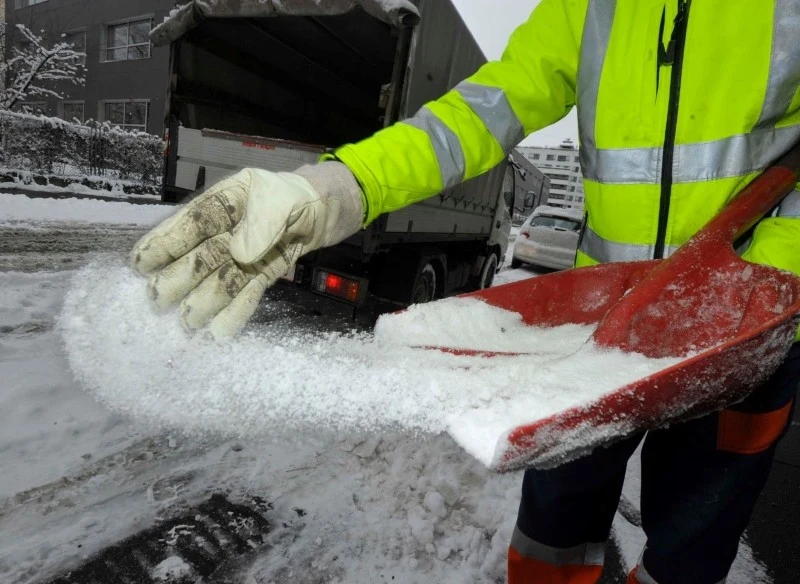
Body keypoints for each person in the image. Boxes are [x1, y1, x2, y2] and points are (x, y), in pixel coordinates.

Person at [131, 0, 800, 582]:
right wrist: (338, 187)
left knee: (692, 546)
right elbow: (475, 116)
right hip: (600, 335)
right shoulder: (595, 6)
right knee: (554, 529)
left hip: (751, 332)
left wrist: (766, 276)